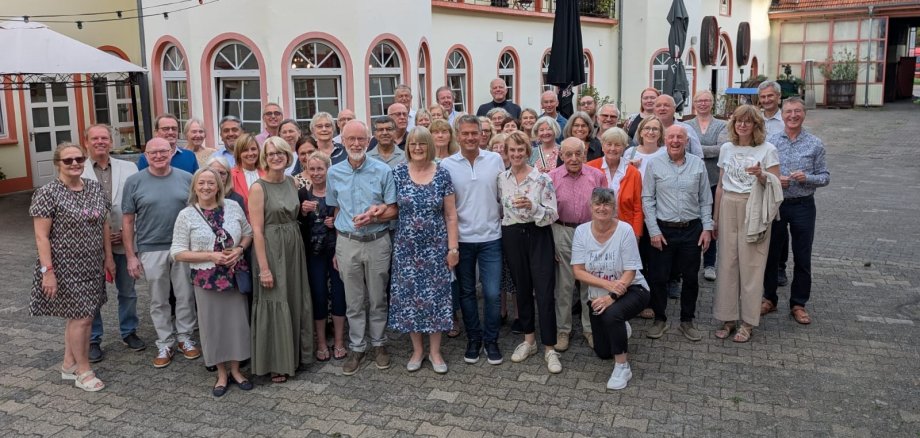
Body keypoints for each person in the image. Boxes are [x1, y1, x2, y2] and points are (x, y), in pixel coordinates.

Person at [31, 143, 115, 392]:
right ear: (58, 163)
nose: (75, 163)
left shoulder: (94, 188)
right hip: (65, 267)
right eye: (68, 160)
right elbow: (41, 237)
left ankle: (69, 364)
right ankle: (83, 370)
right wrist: (48, 272)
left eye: (79, 158)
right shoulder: (48, 192)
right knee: (82, 318)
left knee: (80, 317)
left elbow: (104, 225)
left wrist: (108, 258)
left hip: (92, 264)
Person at [171, 168, 254, 397]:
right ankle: (221, 373)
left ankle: (236, 370)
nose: (206, 187)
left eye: (211, 183)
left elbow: (248, 234)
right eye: (202, 183)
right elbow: (177, 252)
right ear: (195, 187)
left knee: (237, 324)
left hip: (234, 274)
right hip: (206, 278)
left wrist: (238, 249)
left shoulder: (233, 207)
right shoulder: (186, 215)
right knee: (212, 326)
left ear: (219, 186)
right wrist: (210, 256)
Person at [327, 120, 398, 376]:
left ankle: (379, 344)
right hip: (347, 242)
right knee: (354, 300)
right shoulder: (334, 172)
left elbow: (393, 208)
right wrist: (337, 247)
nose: (356, 144)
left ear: (369, 141)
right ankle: (357, 347)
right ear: (342, 141)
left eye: (361, 139)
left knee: (378, 298)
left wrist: (377, 216)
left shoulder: (382, 171)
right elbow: (335, 209)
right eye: (351, 139)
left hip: (378, 241)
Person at [122, 137, 198, 368]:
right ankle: (165, 342)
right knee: (158, 299)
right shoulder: (134, 181)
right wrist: (131, 256)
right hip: (150, 248)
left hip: (183, 248)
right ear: (145, 156)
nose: (158, 156)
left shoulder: (187, 179)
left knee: (185, 295)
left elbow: (197, 213)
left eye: (163, 151)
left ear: (171, 152)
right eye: (152, 152)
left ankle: (185, 337)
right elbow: (127, 221)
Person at [388, 127, 459, 374]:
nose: (417, 148)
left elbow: (450, 215)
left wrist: (453, 248)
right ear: (408, 147)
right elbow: (390, 208)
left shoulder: (442, 174)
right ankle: (417, 350)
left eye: (422, 144)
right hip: (406, 248)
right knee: (409, 299)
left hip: (436, 247)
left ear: (429, 146)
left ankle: (436, 351)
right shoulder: (397, 173)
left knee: (436, 299)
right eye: (413, 144)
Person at [440, 114, 506, 365]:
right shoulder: (447, 165)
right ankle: (474, 339)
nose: (469, 137)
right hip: (462, 238)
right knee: (466, 292)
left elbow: (503, 195)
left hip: (492, 237)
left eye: (474, 133)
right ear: (458, 135)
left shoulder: (495, 159)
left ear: (481, 135)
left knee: (490, 293)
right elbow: (447, 208)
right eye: (465, 133)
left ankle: (491, 340)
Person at [712, 105, 781, 343]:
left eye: (747, 122)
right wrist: (715, 218)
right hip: (728, 204)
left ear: (756, 125)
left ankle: (748, 322)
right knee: (727, 263)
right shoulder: (727, 148)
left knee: (752, 266)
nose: (742, 125)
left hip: (754, 205)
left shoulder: (768, 149)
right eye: (738, 121)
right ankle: (727, 318)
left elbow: (775, 183)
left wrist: (762, 175)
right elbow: (721, 185)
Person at [571, 188, 650, 391]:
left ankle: (622, 366)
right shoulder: (581, 231)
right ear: (590, 207)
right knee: (602, 351)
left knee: (612, 313)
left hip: (633, 289)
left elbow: (631, 272)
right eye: (597, 203)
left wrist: (612, 296)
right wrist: (607, 287)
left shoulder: (625, 230)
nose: (602, 208)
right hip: (600, 293)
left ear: (614, 208)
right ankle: (620, 328)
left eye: (607, 204)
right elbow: (578, 272)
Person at [248, 137, 313, 382]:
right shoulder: (258, 188)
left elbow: (298, 211)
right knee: (274, 299)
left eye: (281, 153)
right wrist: (264, 268)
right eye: (271, 153)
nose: (276, 157)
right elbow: (257, 230)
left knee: (294, 299)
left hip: (293, 246)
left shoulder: (292, 182)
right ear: (265, 157)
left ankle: (295, 356)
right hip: (271, 247)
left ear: (288, 157)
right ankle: (275, 362)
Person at [762, 97, 830, 325]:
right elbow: (761, 173)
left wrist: (807, 177)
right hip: (777, 204)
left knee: (802, 257)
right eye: (788, 111)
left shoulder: (815, 143)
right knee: (770, 254)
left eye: (797, 111)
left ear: (804, 114)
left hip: (803, 205)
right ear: (782, 115)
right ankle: (768, 298)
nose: (792, 115)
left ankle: (798, 304)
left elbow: (825, 176)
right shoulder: (770, 142)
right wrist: (773, 179)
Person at [498, 131, 562, 374]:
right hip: (513, 235)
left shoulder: (541, 179)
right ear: (507, 152)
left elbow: (553, 214)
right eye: (511, 150)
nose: (516, 154)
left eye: (520, 150)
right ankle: (528, 341)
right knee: (522, 289)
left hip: (538, 235)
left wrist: (533, 207)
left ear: (528, 152)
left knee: (544, 292)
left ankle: (550, 347)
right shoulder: (501, 178)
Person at [642, 125, 713, 341]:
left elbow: (705, 200)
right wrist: (653, 230)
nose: (675, 141)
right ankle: (660, 318)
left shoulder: (698, 164)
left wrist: (707, 228)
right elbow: (648, 199)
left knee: (691, 278)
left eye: (679, 137)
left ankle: (686, 320)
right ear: (665, 140)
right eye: (671, 137)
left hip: (692, 230)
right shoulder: (655, 164)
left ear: (686, 141)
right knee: (659, 277)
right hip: (663, 230)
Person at [81, 125, 144, 363]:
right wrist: (104, 236)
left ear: (111, 141)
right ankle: (94, 339)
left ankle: (129, 332)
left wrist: (130, 231)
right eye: (95, 138)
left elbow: (138, 205)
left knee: (128, 291)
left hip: (124, 240)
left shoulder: (129, 167)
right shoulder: (78, 169)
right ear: (86, 141)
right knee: (94, 293)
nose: (100, 142)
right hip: (92, 245)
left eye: (104, 138)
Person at [549, 138, 607, 351]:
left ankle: (590, 329)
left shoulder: (597, 176)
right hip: (561, 231)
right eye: (568, 154)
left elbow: (606, 207)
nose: (573, 158)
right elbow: (546, 213)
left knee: (589, 285)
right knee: (564, 286)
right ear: (561, 156)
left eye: (578, 154)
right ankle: (563, 331)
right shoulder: (551, 178)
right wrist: (551, 244)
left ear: (584, 155)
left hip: (590, 232)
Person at [298, 151, 347, 362]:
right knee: (318, 295)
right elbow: (296, 224)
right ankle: (320, 343)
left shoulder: (336, 192)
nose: (316, 173)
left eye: (320, 169)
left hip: (336, 250)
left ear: (328, 170)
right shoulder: (302, 193)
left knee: (338, 294)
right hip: (313, 253)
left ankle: (338, 342)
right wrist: (302, 211)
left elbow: (346, 218)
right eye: (312, 169)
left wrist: (335, 222)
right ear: (307, 171)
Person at [686, 90, 728, 281]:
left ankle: (710, 263)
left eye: (706, 100)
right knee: (693, 222)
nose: (703, 103)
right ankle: (692, 261)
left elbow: (723, 149)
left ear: (712, 103)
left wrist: (695, 150)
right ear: (694, 103)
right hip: (691, 180)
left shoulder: (722, 125)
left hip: (713, 179)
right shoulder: (686, 125)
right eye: (699, 100)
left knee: (711, 221)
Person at [586, 127, 643, 240]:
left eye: (617, 145)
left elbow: (638, 208)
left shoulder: (634, 173)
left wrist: (636, 235)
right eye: (609, 144)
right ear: (602, 146)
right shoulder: (590, 168)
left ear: (624, 147)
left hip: (625, 230)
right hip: (595, 229)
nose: (613, 148)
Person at [758, 80, 789, 286]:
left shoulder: (786, 119)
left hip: (779, 178)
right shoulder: (755, 118)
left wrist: (780, 177)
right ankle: (762, 264)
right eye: (763, 97)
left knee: (779, 226)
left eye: (770, 96)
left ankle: (779, 267)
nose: (767, 100)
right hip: (757, 178)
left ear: (778, 97)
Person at [230, 133, 265, 215]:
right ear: (238, 153)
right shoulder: (231, 175)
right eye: (245, 150)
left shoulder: (267, 173)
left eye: (253, 149)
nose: (250, 153)